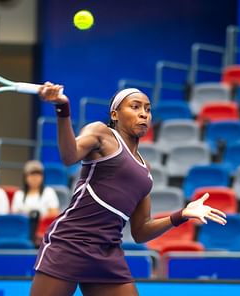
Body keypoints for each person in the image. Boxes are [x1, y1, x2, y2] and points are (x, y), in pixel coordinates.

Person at [30, 83, 227, 296]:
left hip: (107, 251)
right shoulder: (101, 134)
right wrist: (63, 109)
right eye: (135, 107)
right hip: (70, 243)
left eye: (148, 109)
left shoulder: (145, 171)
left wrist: (182, 214)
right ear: (115, 114)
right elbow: (69, 156)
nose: (143, 114)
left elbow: (141, 230)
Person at [12, 160, 60, 243]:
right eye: (31, 175)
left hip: (44, 231)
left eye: (38, 175)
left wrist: (40, 218)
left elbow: (54, 213)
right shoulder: (19, 194)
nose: (35, 178)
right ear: (25, 177)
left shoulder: (49, 192)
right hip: (23, 230)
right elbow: (15, 215)